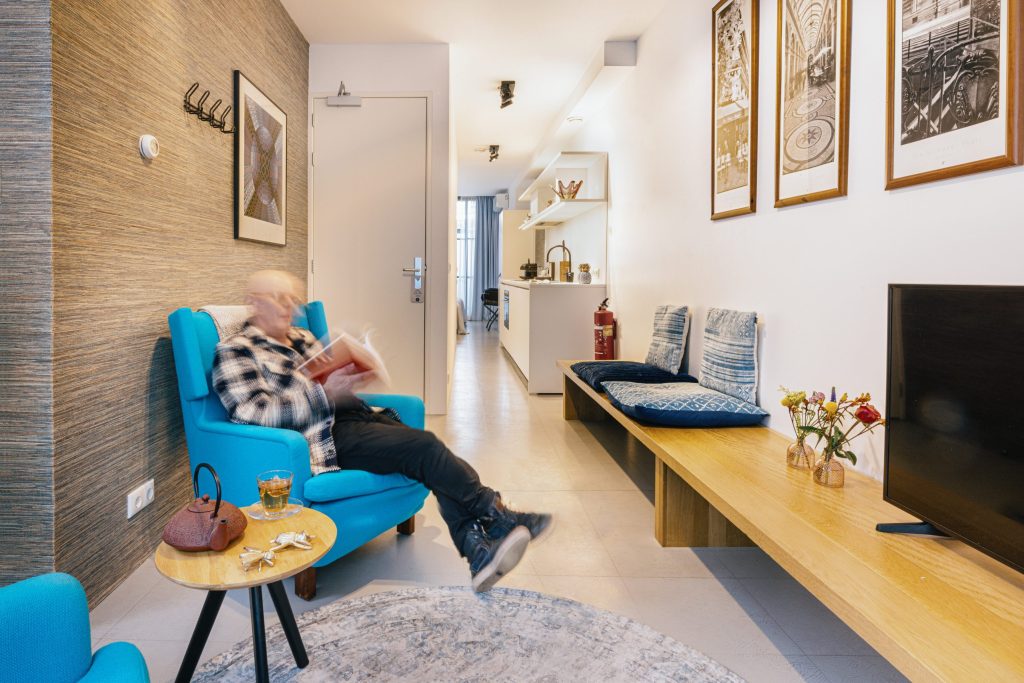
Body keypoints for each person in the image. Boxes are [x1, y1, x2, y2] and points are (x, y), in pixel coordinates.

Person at [211, 270, 551, 592]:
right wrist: (323, 393)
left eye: (293, 299)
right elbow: (251, 412)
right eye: (279, 298)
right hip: (321, 436)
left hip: (353, 413)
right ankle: (496, 514)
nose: (291, 307)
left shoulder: (302, 336)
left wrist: (351, 375)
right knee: (426, 447)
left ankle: (478, 548)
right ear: (254, 303)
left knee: (426, 454)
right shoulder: (236, 351)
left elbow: (325, 378)